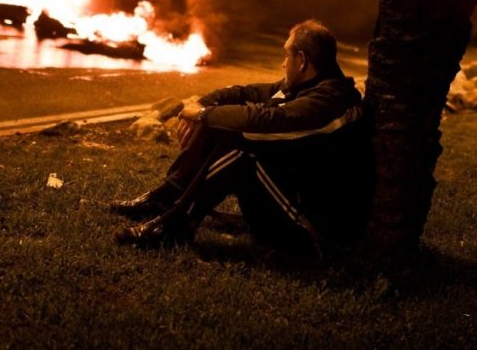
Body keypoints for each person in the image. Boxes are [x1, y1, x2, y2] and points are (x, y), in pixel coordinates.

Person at [111, 19, 375, 254]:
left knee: (241, 151)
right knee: (222, 123)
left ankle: (172, 228)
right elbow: (243, 93)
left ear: (302, 60)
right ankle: (162, 199)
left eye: (286, 55)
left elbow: (266, 122)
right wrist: (202, 106)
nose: (283, 63)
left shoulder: (329, 101)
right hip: (290, 198)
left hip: (316, 230)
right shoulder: (305, 87)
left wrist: (204, 115)